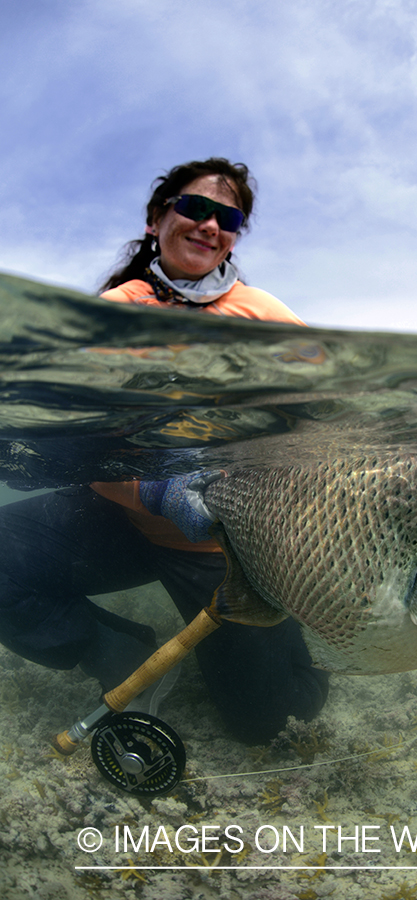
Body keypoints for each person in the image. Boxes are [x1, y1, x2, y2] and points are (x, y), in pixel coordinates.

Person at [0, 158, 328, 744]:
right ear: (158, 219)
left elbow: (326, 411)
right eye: (194, 208)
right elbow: (80, 440)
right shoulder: (117, 311)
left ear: (234, 234)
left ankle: (278, 638)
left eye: (226, 217)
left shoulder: (265, 315)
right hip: (125, 522)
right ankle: (117, 652)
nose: (209, 225)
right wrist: (155, 490)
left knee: (269, 720)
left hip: (229, 550)